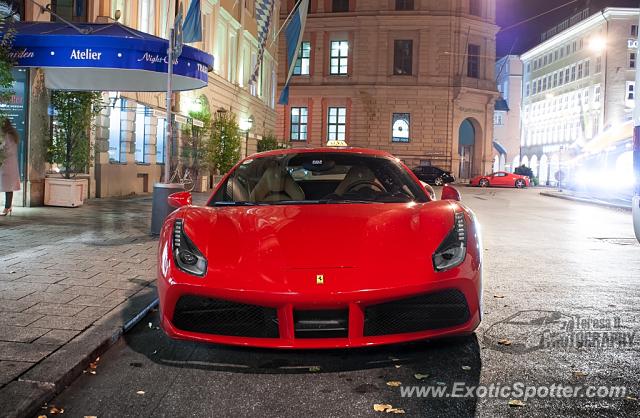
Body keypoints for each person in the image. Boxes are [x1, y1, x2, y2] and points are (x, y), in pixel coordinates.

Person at [0, 118, 20, 216]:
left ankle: (7, 207)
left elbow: (3, 148)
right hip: (10, 164)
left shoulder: (6, 136)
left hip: (5, 164)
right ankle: (8, 207)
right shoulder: (13, 136)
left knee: (7, 186)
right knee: (8, 187)